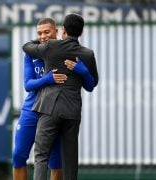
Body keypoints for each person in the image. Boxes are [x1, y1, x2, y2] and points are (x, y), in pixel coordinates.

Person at [22, 13, 99, 180]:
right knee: (70, 160)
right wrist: (82, 71)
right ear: (82, 32)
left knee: (41, 155)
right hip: (72, 112)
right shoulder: (87, 54)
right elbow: (91, 86)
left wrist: (40, 41)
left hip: (49, 108)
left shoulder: (51, 47)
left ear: (63, 30)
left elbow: (26, 47)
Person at [12, 18, 65, 180]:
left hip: (54, 110)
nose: (43, 36)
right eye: (39, 33)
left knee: (56, 162)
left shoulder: (66, 51)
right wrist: (47, 79)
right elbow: (28, 84)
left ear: (56, 31)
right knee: (18, 156)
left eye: (46, 32)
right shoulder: (32, 52)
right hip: (32, 108)